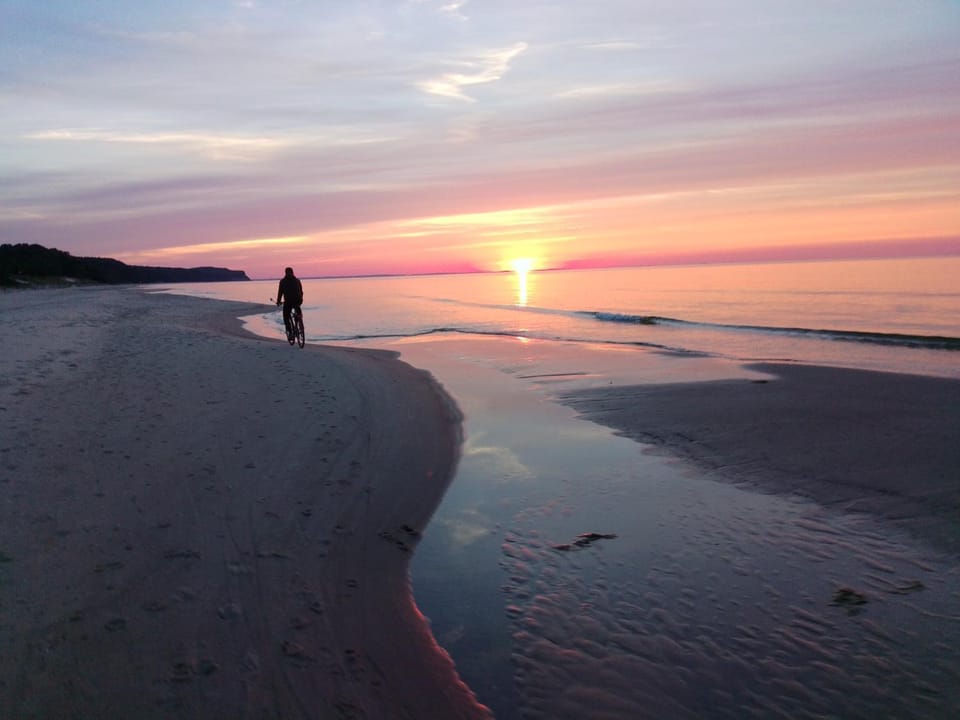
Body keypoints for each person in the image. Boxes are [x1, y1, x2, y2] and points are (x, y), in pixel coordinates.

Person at [276, 267, 303, 338]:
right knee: (298, 310)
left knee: (286, 317)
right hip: (298, 300)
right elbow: (301, 291)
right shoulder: (297, 281)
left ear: (285, 273)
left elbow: (280, 293)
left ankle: (290, 333)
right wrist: (301, 299)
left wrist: (278, 301)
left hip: (288, 302)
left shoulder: (282, 282)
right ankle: (299, 321)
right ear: (292, 272)